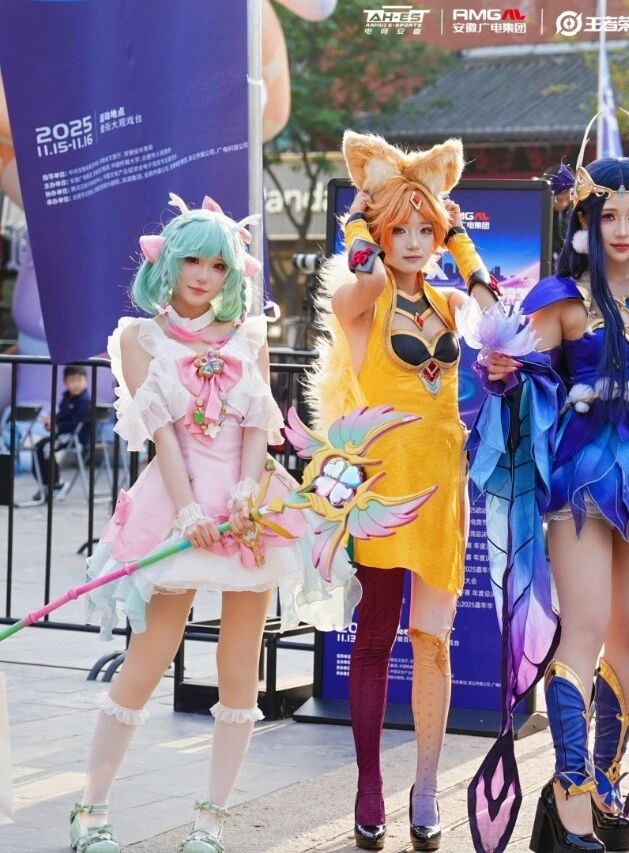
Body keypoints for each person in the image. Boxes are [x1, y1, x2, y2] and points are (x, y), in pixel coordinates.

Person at [72, 194, 351, 853]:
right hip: (179, 502)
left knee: (238, 667)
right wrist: (190, 510)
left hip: (248, 506)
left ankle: (210, 821)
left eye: (218, 265)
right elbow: (163, 436)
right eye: (193, 260)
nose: (203, 275)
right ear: (168, 263)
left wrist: (247, 497)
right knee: (147, 659)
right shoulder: (139, 338)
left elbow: (258, 427)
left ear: (233, 272)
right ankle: (90, 811)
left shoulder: (249, 336)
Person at [471, 111, 629, 853]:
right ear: (585, 218)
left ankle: (600, 787)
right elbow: (524, 375)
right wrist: (500, 369)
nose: (621, 228)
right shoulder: (563, 298)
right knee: (581, 631)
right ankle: (572, 804)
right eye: (608, 215)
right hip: (584, 475)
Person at [305, 131, 499, 852]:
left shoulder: (450, 304)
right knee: (377, 636)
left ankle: (425, 785)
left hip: (443, 484)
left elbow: (494, 315)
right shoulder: (362, 300)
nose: (414, 242)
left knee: (433, 642)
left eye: (426, 229)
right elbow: (360, 277)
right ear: (381, 234)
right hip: (383, 489)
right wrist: (360, 222)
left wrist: (462, 244)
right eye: (401, 230)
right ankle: (368, 786)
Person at [32, 364, 93, 500]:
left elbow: (74, 424)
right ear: (65, 382)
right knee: (37, 447)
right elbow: (59, 420)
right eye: (72, 380)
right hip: (63, 435)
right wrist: (50, 423)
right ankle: (46, 485)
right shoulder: (66, 399)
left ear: (86, 381)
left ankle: (57, 484)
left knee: (47, 447)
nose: (76, 384)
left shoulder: (85, 401)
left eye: (80, 380)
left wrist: (56, 425)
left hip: (76, 437)